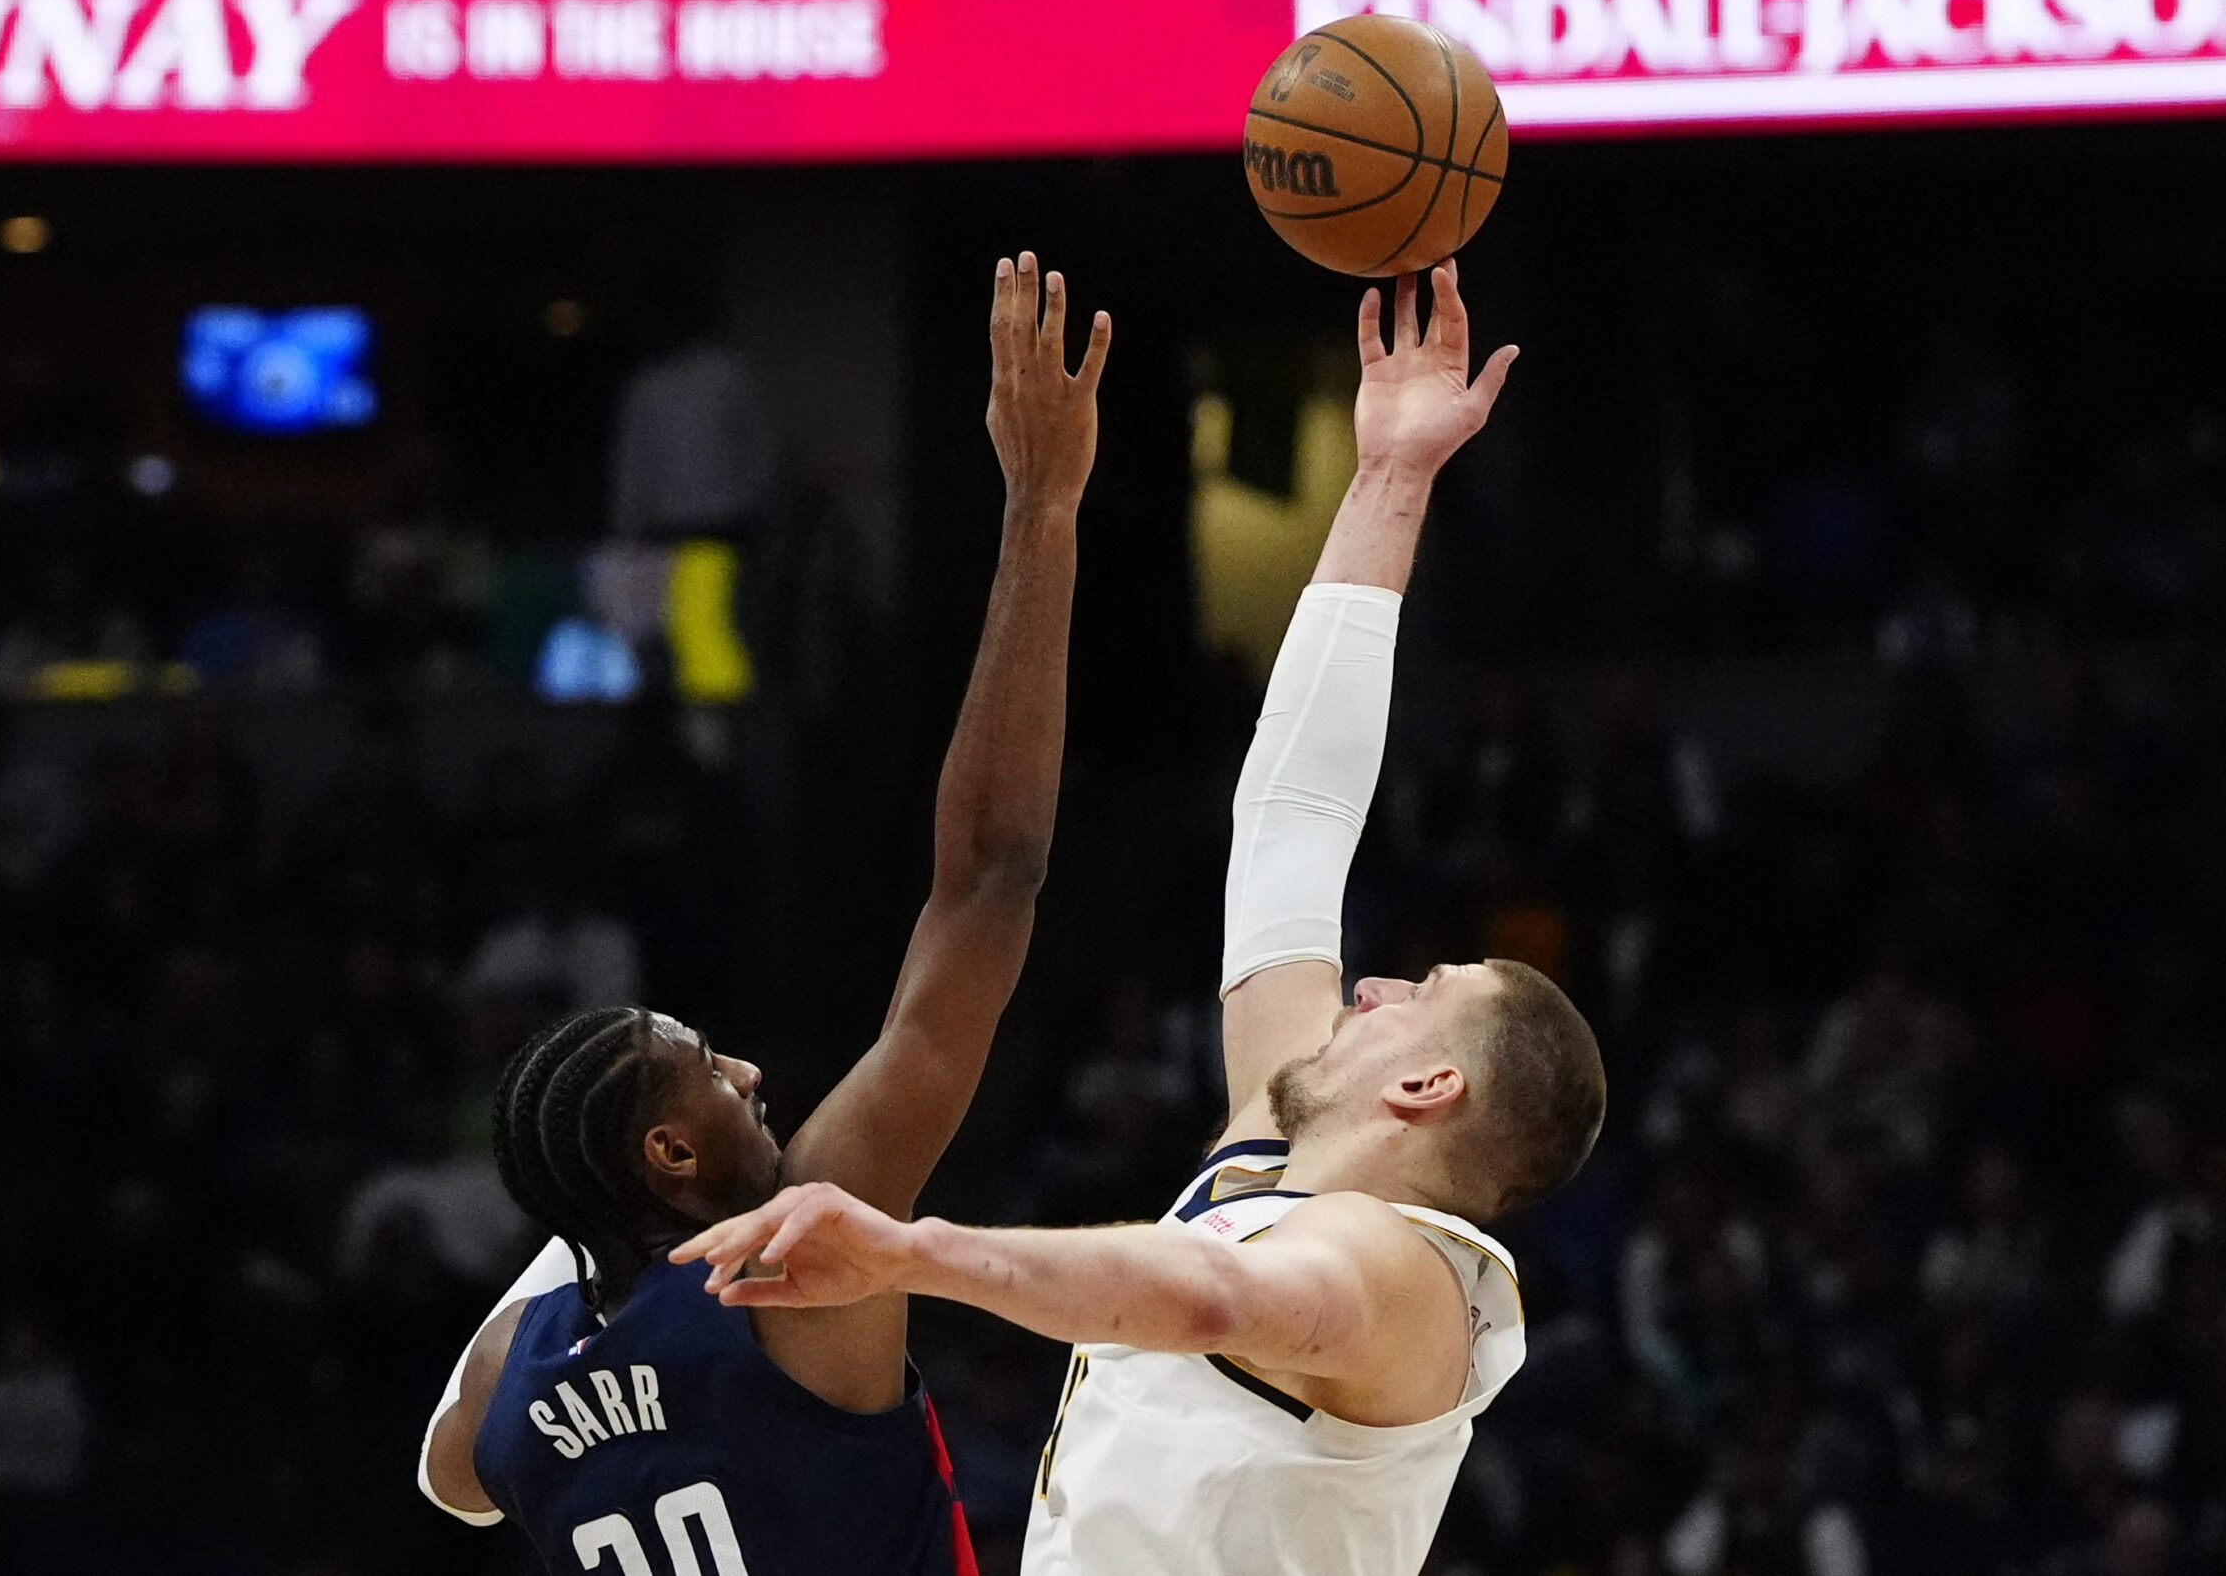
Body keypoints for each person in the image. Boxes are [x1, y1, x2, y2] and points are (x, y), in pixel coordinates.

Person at [678, 260, 1608, 1576]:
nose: (1373, 987)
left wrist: (916, 1251)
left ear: (1428, 1080)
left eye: (1423, 988)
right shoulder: (1270, 1153)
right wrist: (1391, 480)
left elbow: (1213, 1296)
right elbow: (1291, 820)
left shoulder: (1406, 1276)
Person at [416, 253, 1111, 1576]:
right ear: (669, 1158)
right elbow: (991, 875)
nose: (748, 1073)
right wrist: (1041, 510)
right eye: (711, 1077)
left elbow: (449, 1480)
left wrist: (583, 1233)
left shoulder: (511, 1387)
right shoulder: (800, 1260)